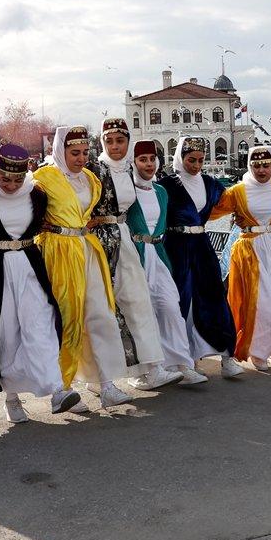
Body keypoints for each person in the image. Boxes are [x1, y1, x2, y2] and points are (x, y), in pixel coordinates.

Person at [0, 144, 82, 421]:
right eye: (6, 178)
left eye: (18, 179)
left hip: (29, 265)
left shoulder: (37, 196)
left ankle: (57, 388)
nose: (11, 185)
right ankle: (11, 396)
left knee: (42, 322)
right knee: (6, 332)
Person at [32, 125, 132, 410]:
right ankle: (61, 387)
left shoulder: (90, 178)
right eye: (74, 152)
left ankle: (106, 383)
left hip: (86, 248)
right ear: (60, 151)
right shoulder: (43, 177)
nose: (81, 158)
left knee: (101, 312)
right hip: (58, 251)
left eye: (86, 152)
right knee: (67, 317)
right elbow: (24, 207)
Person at [89, 117, 180, 391]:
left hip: (125, 239)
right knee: (102, 309)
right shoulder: (93, 170)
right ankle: (101, 379)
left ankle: (151, 368)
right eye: (109, 141)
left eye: (120, 140)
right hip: (98, 242)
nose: (115, 146)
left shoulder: (130, 170)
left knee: (139, 302)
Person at [157, 137, 242, 378]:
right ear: (180, 158)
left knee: (215, 297)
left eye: (200, 160)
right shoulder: (166, 186)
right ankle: (183, 359)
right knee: (180, 301)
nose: (195, 165)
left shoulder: (211, 184)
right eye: (190, 160)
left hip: (202, 247)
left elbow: (234, 202)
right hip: (175, 246)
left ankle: (227, 355)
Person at [209, 145, 271, 371]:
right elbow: (210, 211)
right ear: (249, 165)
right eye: (256, 165)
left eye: (266, 165)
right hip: (250, 249)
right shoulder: (237, 191)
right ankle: (259, 351)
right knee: (261, 303)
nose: (261, 170)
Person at [125, 140, 205, 385]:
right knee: (142, 313)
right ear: (133, 162)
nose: (148, 164)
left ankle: (182, 364)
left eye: (152, 159)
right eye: (142, 159)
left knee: (171, 307)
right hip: (136, 255)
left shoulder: (161, 192)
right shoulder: (127, 192)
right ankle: (145, 372)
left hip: (158, 255)